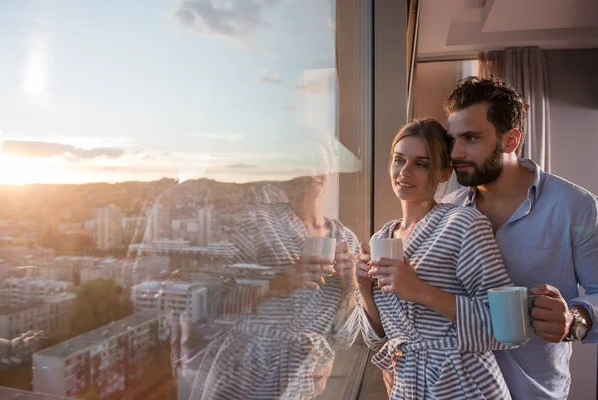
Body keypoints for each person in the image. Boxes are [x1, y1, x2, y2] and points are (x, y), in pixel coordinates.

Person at [443, 75, 598, 399]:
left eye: (470, 138)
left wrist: (576, 318)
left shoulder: (576, 206)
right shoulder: (445, 211)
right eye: (452, 139)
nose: (455, 152)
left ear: (511, 140)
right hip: (455, 391)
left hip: (535, 392)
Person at [183, 143, 360, 400]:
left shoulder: (347, 240)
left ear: (329, 171)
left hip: (305, 379)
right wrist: (277, 284)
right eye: (300, 162)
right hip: (246, 373)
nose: (310, 171)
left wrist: (351, 285)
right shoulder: (255, 221)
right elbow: (212, 306)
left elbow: (345, 337)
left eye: (317, 162)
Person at [356, 118, 515, 399]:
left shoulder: (464, 223)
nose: (404, 172)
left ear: (443, 173)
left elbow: (505, 326)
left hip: (463, 384)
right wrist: (363, 288)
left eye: (421, 163)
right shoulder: (381, 239)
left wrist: (421, 291)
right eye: (398, 160)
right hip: (406, 384)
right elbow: (376, 341)